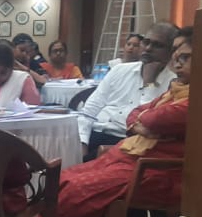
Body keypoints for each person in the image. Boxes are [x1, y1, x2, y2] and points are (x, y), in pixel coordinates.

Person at [19, 30, 194, 217]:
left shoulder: (194, 96)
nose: (177, 62)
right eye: (177, 55)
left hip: (154, 167)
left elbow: (155, 118)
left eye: (184, 57)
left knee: (76, 190)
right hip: (128, 151)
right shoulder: (175, 89)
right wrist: (142, 122)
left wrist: (144, 121)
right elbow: (134, 114)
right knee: (61, 179)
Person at [77, 22, 180, 161]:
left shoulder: (174, 84)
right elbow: (89, 111)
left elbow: (145, 123)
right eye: (146, 42)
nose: (148, 48)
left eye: (157, 45)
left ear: (171, 52)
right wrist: (82, 143)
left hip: (127, 143)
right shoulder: (119, 70)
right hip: (93, 134)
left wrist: (149, 83)